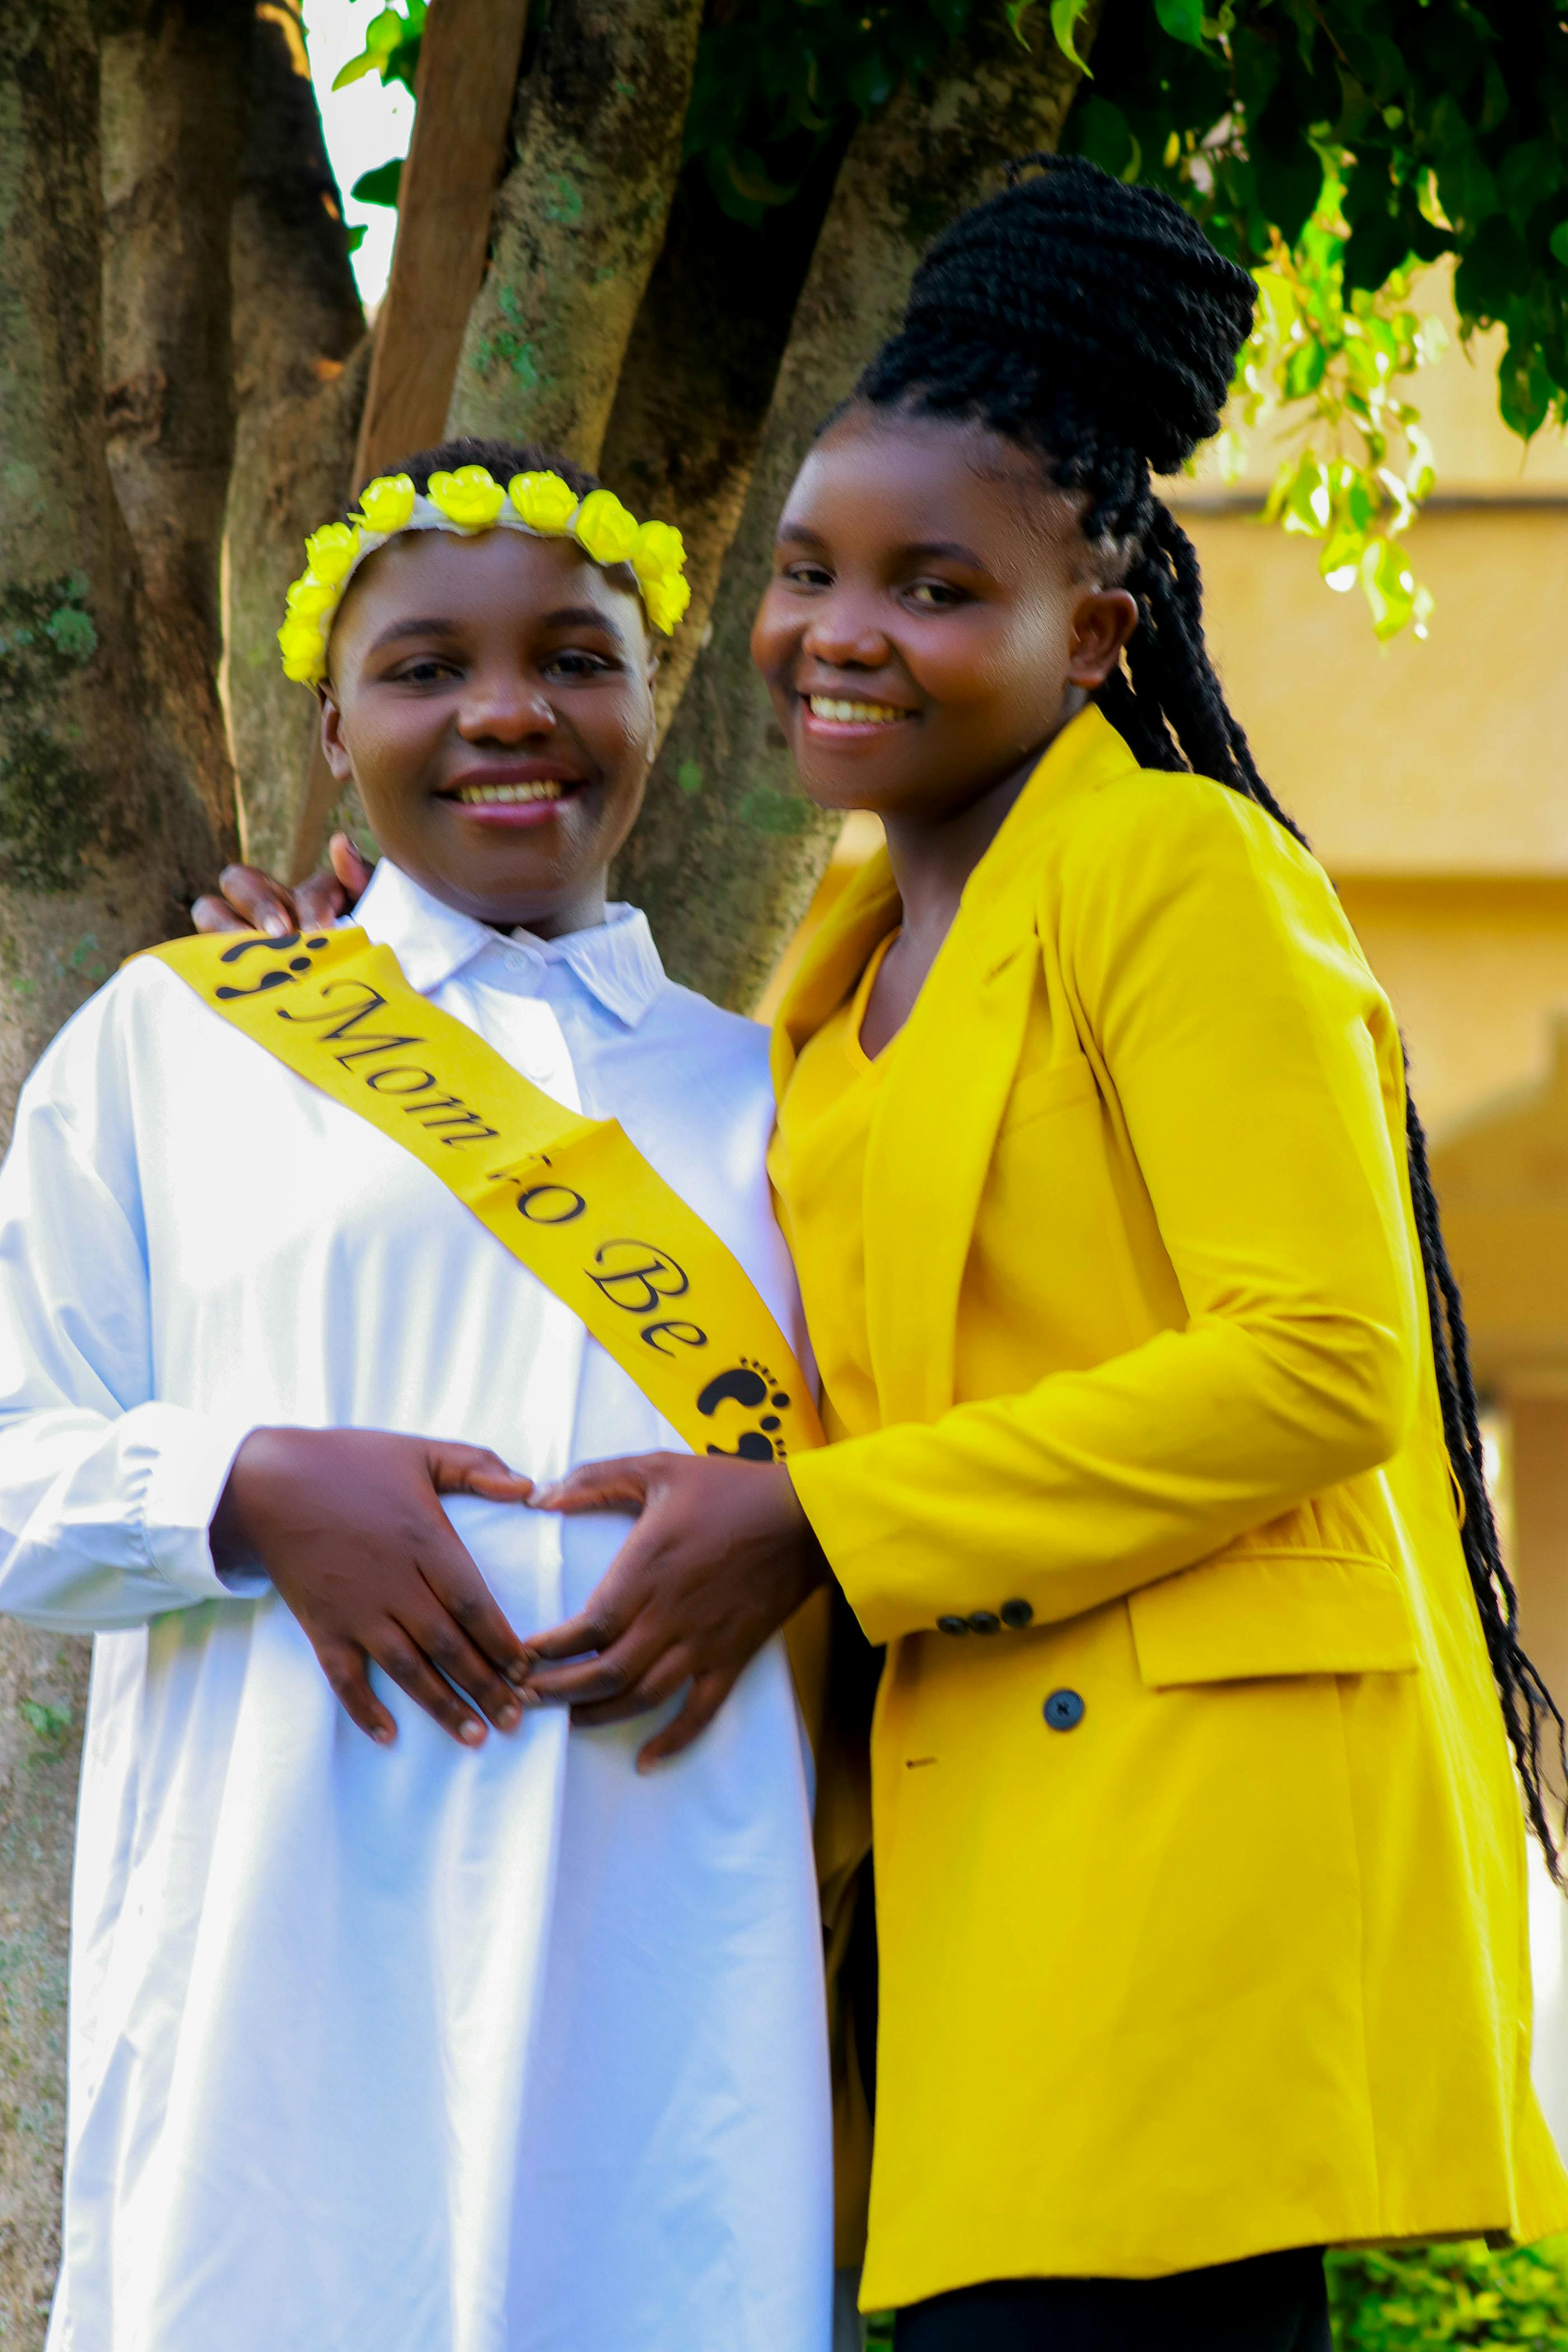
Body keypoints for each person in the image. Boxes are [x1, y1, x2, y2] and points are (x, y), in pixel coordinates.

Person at [494, 160, 1568, 2348]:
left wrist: (823, 1527)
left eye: (930, 585)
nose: (834, 631)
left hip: (1182, 1842)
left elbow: (1324, 1365)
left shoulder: (1178, 876)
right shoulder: (846, 938)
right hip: (954, 1829)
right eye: (806, 574)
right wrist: (330, 982)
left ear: (1093, 634)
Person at [0, 440, 834, 2352]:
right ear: (332, 729)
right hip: (274, 1996)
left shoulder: (782, 1095)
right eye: (426, 667)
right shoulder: (181, 1038)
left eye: (573, 656)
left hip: (668, 1982)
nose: (507, 711)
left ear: (652, 696)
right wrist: (248, 1485)